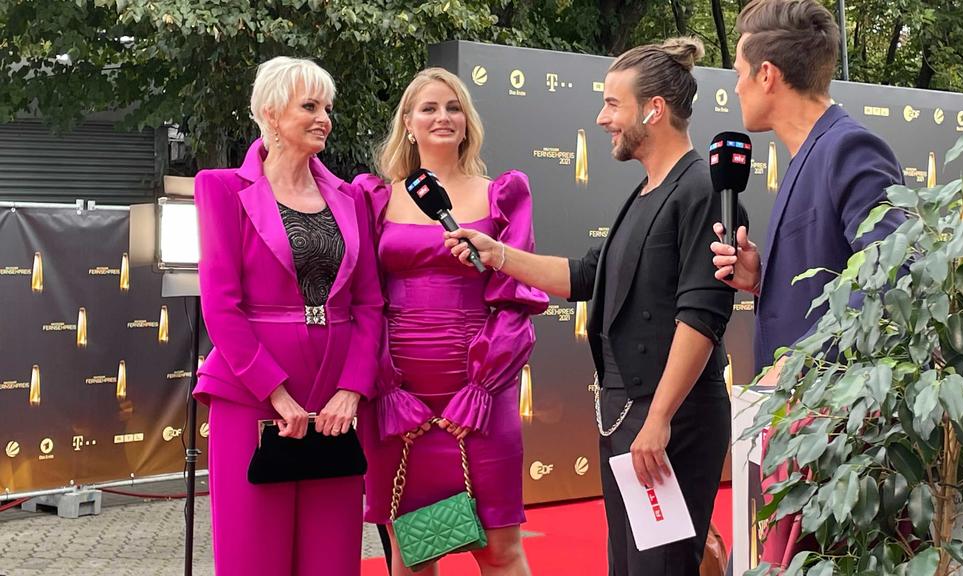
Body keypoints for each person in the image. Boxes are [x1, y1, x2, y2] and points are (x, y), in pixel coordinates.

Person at [446, 38, 739, 575]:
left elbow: (701, 316)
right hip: (631, 419)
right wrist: (499, 255)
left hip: (669, 422)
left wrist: (659, 418)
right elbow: (584, 275)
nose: (602, 117)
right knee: (628, 566)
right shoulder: (648, 191)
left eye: (612, 103)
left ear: (653, 109)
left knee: (663, 568)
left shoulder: (700, 188)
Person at [708, 0, 905, 566]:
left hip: (834, 435)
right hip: (801, 429)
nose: (737, 86)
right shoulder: (808, 152)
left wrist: (803, 370)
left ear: (767, 74)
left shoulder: (847, 146)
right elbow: (842, 274)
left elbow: (894, 276)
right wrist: (762, 276)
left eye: (740, 72)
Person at [193, 56, 383, 575]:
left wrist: (352, 389)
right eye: (310, 106)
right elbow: (221, 305)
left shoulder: (352, 198)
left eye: (327, 107)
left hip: (338, 401)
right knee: (255, 554)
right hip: (251, 394)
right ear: (272, 114)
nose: (324, 117)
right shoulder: (221, 188)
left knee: (332, 557)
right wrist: (274, 392)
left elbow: (369, 303)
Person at [356, 67, 548, 576]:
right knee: (414, 553)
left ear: (467, 123)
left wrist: (482, 386)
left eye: (453, 107)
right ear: (408, 123)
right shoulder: (372, 198)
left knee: (500, 551)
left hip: (482, 388)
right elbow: (363, 300)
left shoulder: (503, 194)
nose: (443, 117)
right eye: (429, 108)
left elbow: (515, 297)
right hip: (398, 395)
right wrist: (386, 387)